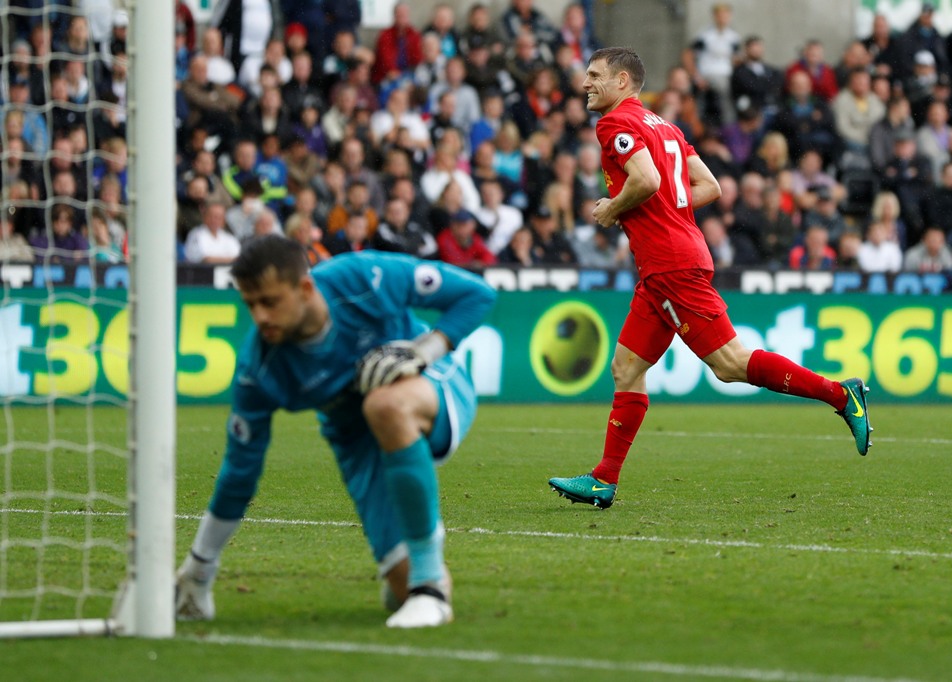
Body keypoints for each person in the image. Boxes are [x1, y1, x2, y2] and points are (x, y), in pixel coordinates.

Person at [547, 47, 872, 510]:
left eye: (595, 75)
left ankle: (841, 395)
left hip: (671, 265)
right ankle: (604, 479)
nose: (585, 83)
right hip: (667, 265)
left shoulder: (614, 124)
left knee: (730, 364)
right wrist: (653, 211)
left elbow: (646, 182)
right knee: (627, 368)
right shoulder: (666, 127)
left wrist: (613, 209)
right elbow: (709, 187)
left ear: (623, 81)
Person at [175, 235, 496, 629]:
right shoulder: (258, 368)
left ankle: (429, 589)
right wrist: (199, 568)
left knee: (385, 405)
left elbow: (477, 294)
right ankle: (411, 582)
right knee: (400, 592)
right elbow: (239, 475)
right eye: (251, 304)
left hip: (432, 383)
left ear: (305, 288)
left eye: (270, 301)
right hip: (354, 441)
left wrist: (422, 351)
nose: (259, 316)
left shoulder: (366, 277)